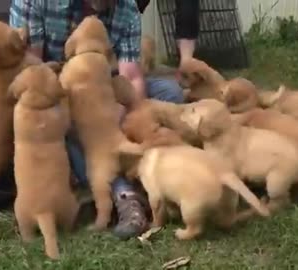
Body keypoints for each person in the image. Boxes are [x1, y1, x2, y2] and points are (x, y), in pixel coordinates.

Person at [9, 0, 184, 239]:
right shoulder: (35, 2)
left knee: (170, 92)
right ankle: (125, 195)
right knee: (66, 126)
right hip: (57, 91)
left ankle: (160, 171)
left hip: (105, 89)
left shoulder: (127, 8)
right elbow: (31, 74)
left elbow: (131, 77)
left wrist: (120, 118)